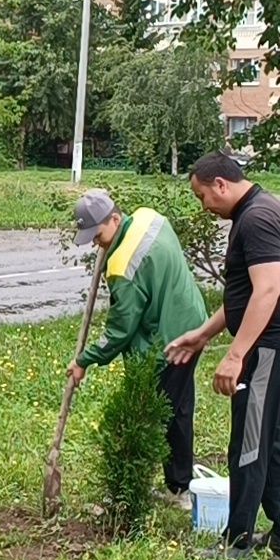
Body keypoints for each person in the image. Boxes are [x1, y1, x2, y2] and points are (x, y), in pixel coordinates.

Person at [165, 152, 280, 558]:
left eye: (202, 196)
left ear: (221, 184)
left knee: (248, 445)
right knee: (271, 441)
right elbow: (245, 297)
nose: (204, 206)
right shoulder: (257, 211)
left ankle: (237, 543)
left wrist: (235, 355)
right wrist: (202, 335)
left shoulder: (257, 219)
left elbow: (267, 292)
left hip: (273, 347)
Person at [67, 188, 210, 505]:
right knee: (178, 410)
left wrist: (84, 360)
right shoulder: (149, 217)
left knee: (151, 413)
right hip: (193, 321)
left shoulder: (123, 265)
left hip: (171, 343)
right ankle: (179, 486)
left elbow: (120, 330)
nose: (96, 243)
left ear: (115, 219)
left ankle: (139, 490)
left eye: (98, 235)